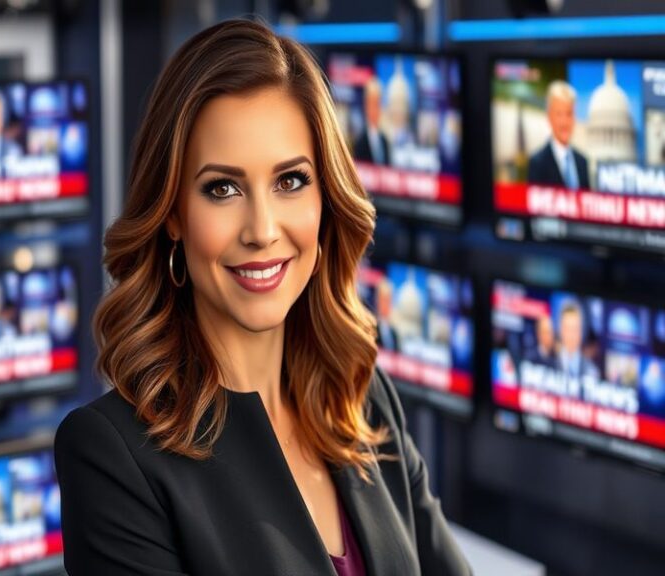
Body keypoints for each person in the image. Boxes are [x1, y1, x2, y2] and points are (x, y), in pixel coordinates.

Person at [54, 19, 470, 576]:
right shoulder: (112, 454)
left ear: (327, 198)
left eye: (290, 181)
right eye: (222, 188)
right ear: (173, 214)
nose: (262, 229)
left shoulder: (365, 398)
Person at [527, 80, 590, 190]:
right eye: (559, 114)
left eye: (569, 114)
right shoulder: (537, 164)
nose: (564, 122)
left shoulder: (583, 162)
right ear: (549, 118)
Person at [353, 77, 390, 166]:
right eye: (372, 104)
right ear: (366, 106)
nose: (376, 109)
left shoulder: (385, 141)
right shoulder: (360, 143)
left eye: (378, 104)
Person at [557, 303, 599, 379]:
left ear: (581, 332)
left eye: (575, 329)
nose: (571, 335)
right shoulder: (548, 362)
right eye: (568, 329)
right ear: (561, 330)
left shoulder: (591, 371)